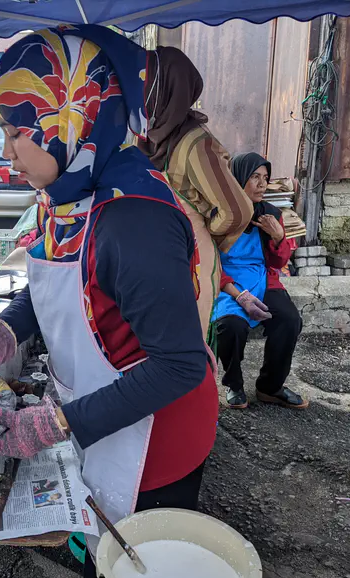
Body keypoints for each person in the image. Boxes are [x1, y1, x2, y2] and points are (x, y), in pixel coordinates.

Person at [0, 29, 219, 578]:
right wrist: (3, 330)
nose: (7, 153)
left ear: (67, 118)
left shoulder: (133, 220)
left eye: (15, 132)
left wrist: (57, 424)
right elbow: (63, 282)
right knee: (99, 562)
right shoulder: (72, 189)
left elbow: (180, 366)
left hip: (155, 437)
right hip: (101, 412)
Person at [65, 25, 254, 343]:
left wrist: (201, 234)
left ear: (171, 92)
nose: (143, 98)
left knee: (185, 339)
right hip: (164, 251)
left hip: (192, 257)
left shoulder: (198, 145)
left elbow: (237, 211)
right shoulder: (151, 137)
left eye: (151, 89)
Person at [212, 152, 305, 409]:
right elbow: (208, 263)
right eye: (255, 177)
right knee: (230, 326)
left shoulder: (270, 214)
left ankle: (270, 387)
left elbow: (278, 263)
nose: (262, 184)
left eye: (265, 177)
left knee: (289, 319)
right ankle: (234, 384)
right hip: (226, 283)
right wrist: (237, 294)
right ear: (238, 178)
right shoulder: (219, 215)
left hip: (262, 280)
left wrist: (277, 239)